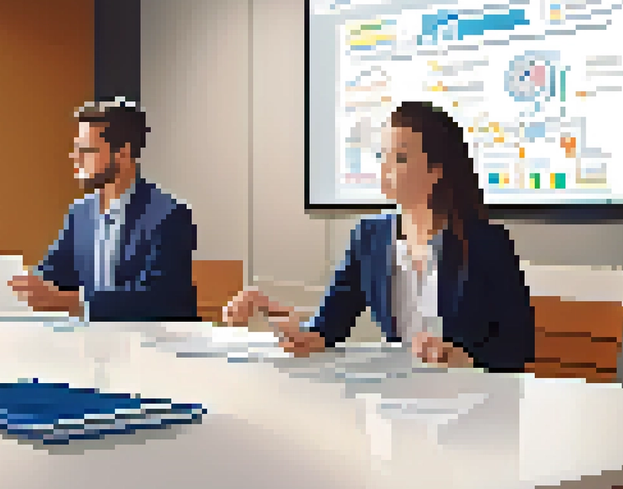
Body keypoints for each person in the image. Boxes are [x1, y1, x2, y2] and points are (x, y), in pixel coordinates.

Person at [222, 101, 535, 372]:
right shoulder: (369, 237)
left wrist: (467, 360)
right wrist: (271, 310)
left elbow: (518, 345)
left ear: (436, 171)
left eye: (400, 158)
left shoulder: (487, 242)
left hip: (471, 400)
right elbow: (324, 330)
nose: (385, 167)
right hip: (398, 399)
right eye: (382, 155)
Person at [10, 98, 199, 321]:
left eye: (86, 150)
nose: (75, 157)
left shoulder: (169, 215)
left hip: (150, 338)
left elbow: (159, 297)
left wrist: (76, 304)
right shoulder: (80, 213)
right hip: (88, 338)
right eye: (75, 149)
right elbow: (53, 272)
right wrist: (18, 285)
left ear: (123, 154)